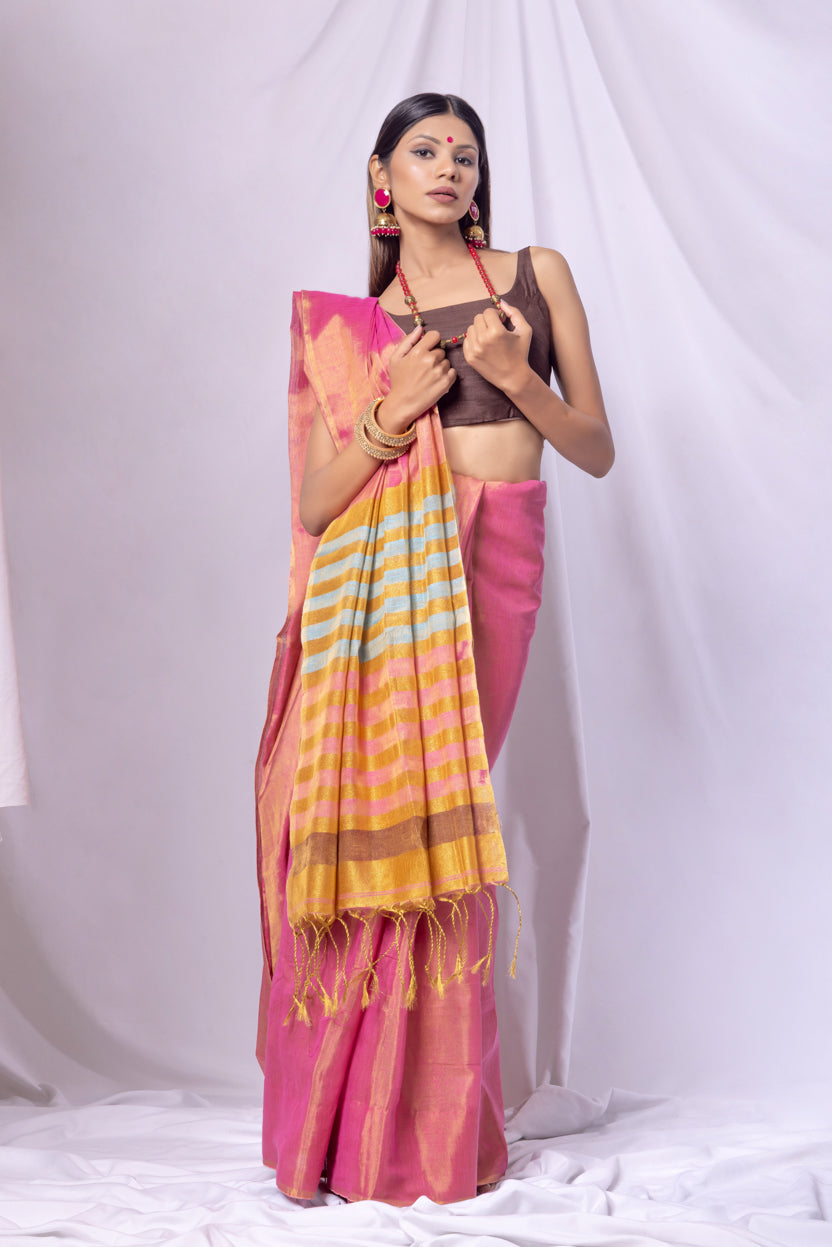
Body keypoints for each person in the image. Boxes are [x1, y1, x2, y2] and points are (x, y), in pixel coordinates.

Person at [255, 92, 613, 1208]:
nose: (448, 167)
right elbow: (318, 505)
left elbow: (593, 448)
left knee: (440, 825)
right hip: (385, 583)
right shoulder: (357, 328)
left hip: (494, 557)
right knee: (379, 836)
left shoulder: (534, 274)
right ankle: (346, 1124)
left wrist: (513, 380)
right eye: (424, 150)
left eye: (464, 153)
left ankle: (432, 1124)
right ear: (383, 177)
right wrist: (384, 414)